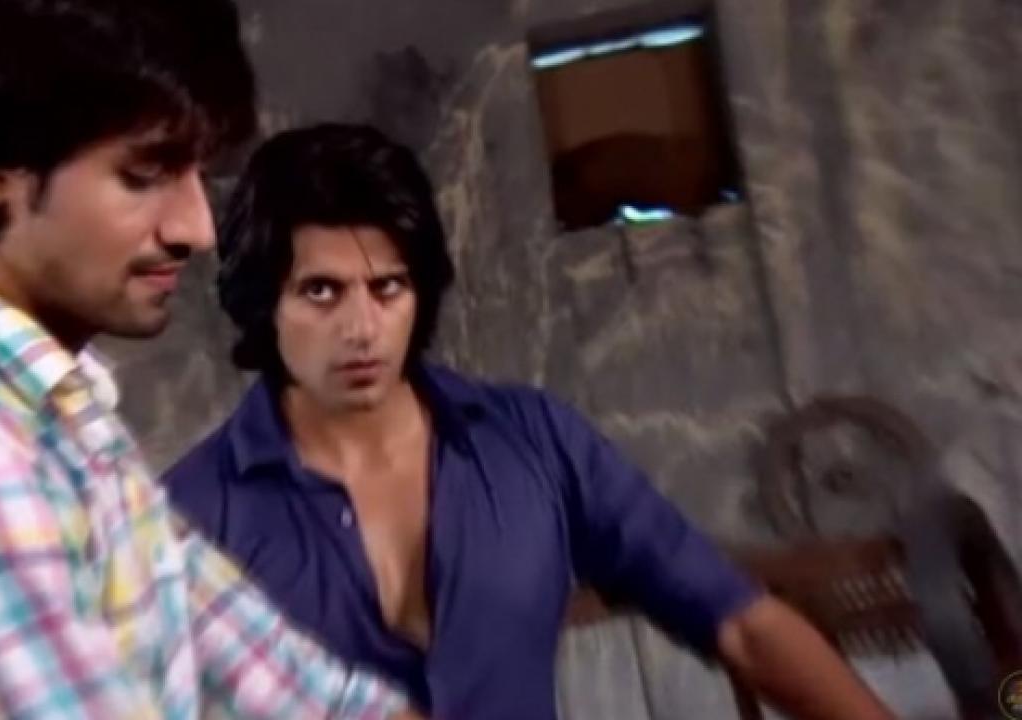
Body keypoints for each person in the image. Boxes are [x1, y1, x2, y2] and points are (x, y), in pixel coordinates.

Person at [0, 5, 415, 718]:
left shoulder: (54, 418)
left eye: (197, 172)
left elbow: (299, 696)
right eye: (145, 173)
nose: (197, 228)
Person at [162, 123, 896, 720]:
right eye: (321, 292)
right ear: (264, 303)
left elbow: (741, 623)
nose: (362, 329)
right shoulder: (185, 518)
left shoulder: (532, 440)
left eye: (387, 288)